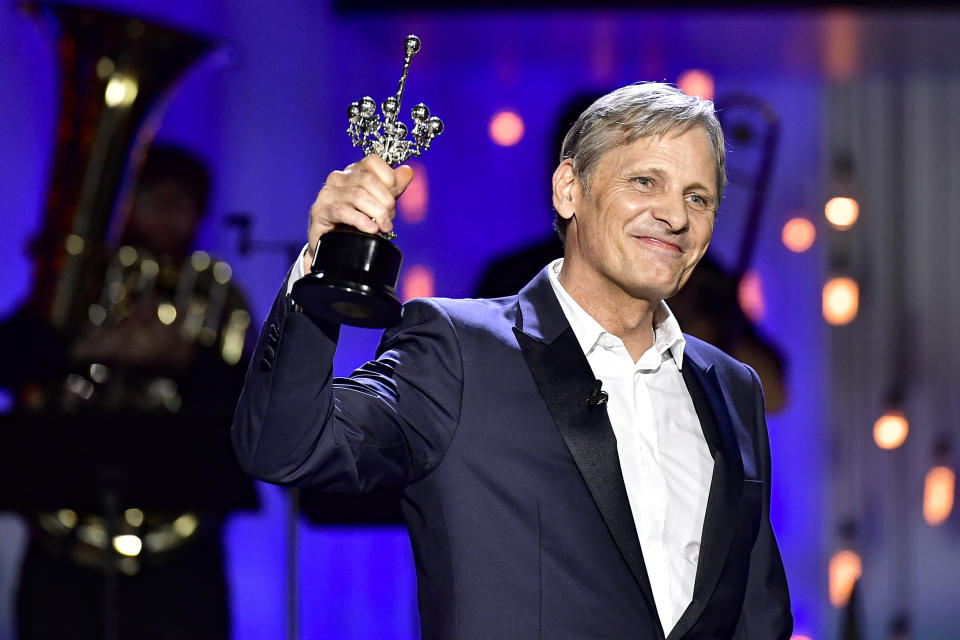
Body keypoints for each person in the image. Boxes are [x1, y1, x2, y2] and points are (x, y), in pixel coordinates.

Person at [233, 82, 792, 639]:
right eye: (645, 181)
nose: (674, 214)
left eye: (698, 197)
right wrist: (321, 270)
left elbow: (757, 615)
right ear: (569, 188)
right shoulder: (458, 351)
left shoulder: (731, 386)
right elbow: (285, 446)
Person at [2, 145, 256, 639]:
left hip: (180, 561)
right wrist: (93, 346)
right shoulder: (75, 287)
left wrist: (181, 360)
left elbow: (252, 403)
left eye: (181, 200)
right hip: (67, 553)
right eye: (150, 195)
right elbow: (10, 356)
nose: (166, 210)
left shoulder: (216, 295)